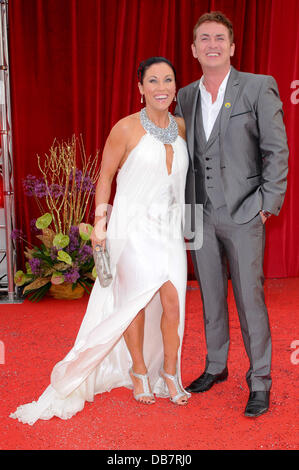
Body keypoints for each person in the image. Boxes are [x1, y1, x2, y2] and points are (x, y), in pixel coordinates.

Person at [10, 57, 190, 425]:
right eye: (152, 80)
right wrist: (100, 225)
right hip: (132, 229)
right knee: (136, 301)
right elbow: (105, 177)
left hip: (170, 231)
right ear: (140, 88)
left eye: (168, 80)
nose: (161, 87)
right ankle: (140, 371)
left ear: (175, 86)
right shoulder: (124, 129)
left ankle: (170, 372)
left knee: (174, 302)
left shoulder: (182, 127)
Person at [175, 11, 288, 417]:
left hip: (244, 214)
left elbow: (277, 151)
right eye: (204, 38)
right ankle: (216, 365)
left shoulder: (258, 87)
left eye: (219, 38)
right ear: (193, 50)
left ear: (232, 47)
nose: (212, 44)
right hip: (200, 215)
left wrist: (265, 206)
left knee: (250, 300)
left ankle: (260, 380)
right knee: (209, 296)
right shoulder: (185, 95)